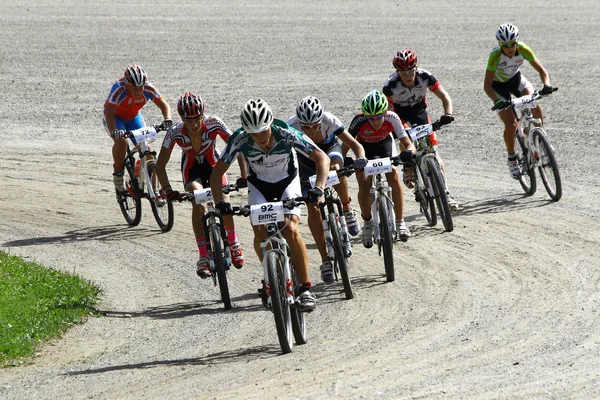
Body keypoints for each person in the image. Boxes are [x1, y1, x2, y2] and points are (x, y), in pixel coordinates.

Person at [209, 99, 330, 312]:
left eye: (263, 131)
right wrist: (220, 203)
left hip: (287, 182)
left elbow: (321, 157)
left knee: (290, 228)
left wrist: (318, 188)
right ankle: (269, 280)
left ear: (271, 123)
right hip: (259, 186)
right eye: (254, 134)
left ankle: (305, 288)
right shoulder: (240, 139)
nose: (260, 138)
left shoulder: (286, 133)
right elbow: (217, 174)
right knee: (260, 232)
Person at [154, 92, 247, 278]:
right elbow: (160, 166)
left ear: (202, 115)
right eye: (188, 120)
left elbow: (238, 147)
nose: (194, 124)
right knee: (198, 203)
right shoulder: (175, 132)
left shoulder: (214, 123)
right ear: (181, 118)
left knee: (224, 204)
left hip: (214, 166)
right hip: (192, 171)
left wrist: (244, 176)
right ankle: (203, 255)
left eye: (197, 118)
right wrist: (167, 190)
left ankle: (234, 243)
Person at [286, 96, 367, 284]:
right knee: (312, 206)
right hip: (306, 158)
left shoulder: (330, 120)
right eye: (306, 127)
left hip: (330, 150)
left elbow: (355, 145)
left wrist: (360, 157)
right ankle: (325, 260)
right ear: (299, 123)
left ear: (321, 119)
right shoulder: (291, 126)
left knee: (336, 169)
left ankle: (346, 208)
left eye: (315, 125)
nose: (312, 130)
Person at [383, 49, 458, 211]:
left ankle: (445, 192)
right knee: (406, 138)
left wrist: (448, 114)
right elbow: (387, 112)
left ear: (416, 68)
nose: (408, 76)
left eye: (411, 71)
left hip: (419, 112)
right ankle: (408, 165)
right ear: (397, 72)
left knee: (433, 150)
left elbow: (445, 96)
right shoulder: (390, 86)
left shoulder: (425, 77)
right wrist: (393, 130)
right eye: (403, 73)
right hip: (399, 115)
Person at [345, 90, 416, 248]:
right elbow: (345, 145)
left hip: (385, 145)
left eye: (378, 116)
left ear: (385, 112)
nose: (375, 121)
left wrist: (409, 152)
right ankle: (368, 223)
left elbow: (407, 141)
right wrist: (345, 161)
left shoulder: (392, 117)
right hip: (364, 149)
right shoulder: (358, 120)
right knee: (364, 185)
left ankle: (400, 221)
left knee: (393, 177)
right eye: (370, 118)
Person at [484, 23, 554, 179]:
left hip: (516, 80)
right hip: (498, 87)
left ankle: (543, 144)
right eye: (505, 45)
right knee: (511, 124)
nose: (510, 48)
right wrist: (496, 101)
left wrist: (546, 84)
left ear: (517, 41)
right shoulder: (495, 55)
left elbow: (542, 71)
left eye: (512, 44)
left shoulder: (523, 48)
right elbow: (487, 85)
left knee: (535, 102)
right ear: (500, 44)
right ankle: (512, 158)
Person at [103, 65, 172, 193]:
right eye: (135, 88)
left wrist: (167, 119)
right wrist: (114, 131)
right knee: (122, 142)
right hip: (115, 118)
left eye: (141, 87)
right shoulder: (119, 89)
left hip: (134, 117)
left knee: (149, 152)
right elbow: (109, 112)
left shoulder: (148, 88)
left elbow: (164, 105)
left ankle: (155, 191)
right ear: (127, 84)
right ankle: (118, 174)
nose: (139, 91)